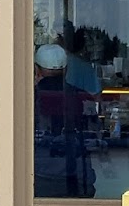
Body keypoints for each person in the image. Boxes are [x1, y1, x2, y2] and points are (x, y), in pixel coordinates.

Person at [33, 42, 95, 197]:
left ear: (36, 69)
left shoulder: (28, 97)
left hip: (39, 175)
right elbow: (95, 134)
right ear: (66, 69)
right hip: (78, 176)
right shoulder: (82, 97)